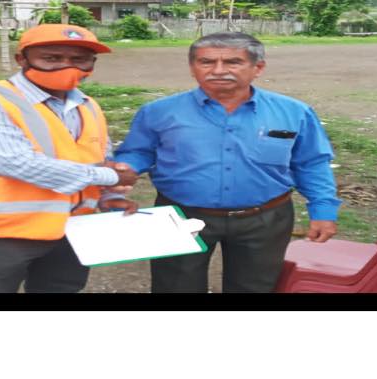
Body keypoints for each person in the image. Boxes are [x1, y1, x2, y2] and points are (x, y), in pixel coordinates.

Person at [115, 32, 342, 293]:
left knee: (255, 288)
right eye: (207, 62)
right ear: (192, 67)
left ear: (258, 68)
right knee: (176, 286)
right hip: (180, 214)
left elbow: (311, 163)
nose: (218, 70)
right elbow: (138, 151)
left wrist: (323, 210)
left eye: (233, 62)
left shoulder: (294, 112)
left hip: (265, 218)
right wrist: (127, 167)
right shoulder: (158, 111)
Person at [0, 24, 140, 293]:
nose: (67, 66)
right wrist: (110, 176)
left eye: (79, 59)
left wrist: (107, 196)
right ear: (21, 59)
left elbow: (98, 159)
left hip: (71, 229)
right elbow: (13, 163)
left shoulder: (88, 105)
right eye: (51, 58)